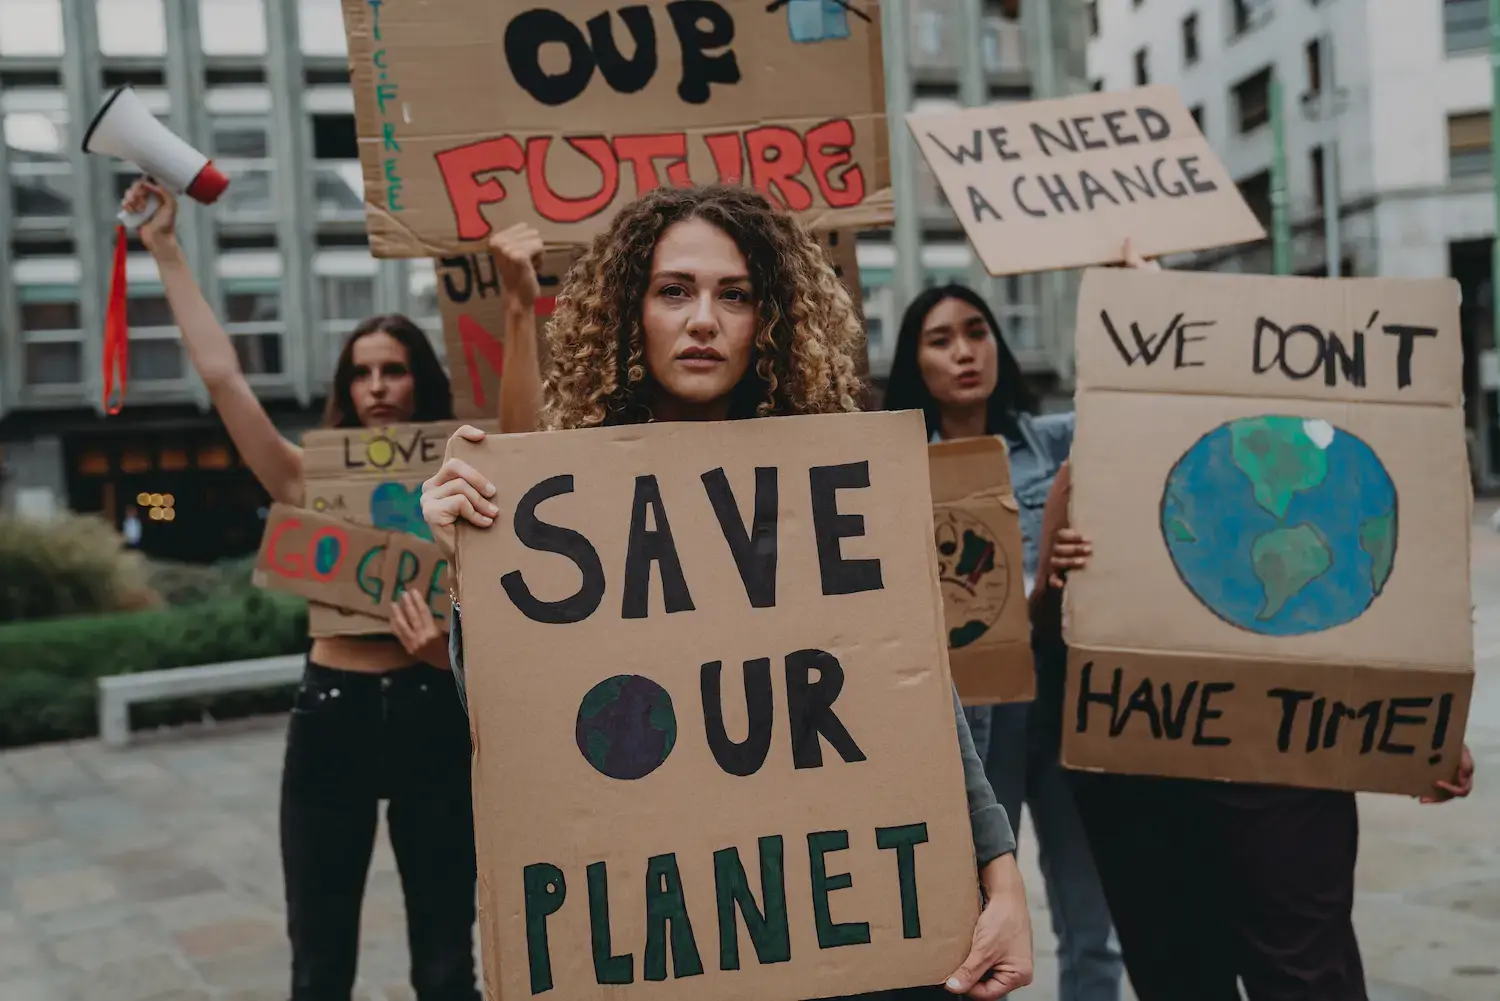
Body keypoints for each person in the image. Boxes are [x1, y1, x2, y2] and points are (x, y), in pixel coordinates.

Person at [420, 183, 1036, 1000]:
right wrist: (474, 569)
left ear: (769, 319)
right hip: (681, 939)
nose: (703, 318)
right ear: (629, 311)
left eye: (734, 295)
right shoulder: (568, 510)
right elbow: (518, 727)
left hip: (853, 924)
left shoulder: (832, 487)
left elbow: (920, 695)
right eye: (674, 290)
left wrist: (1002, 874)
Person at [1037, 261, 1478, 1000]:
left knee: (1304, 974)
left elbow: (1399, 595)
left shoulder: (1334, 458)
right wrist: (1055, 577)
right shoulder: (1088, 468)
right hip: (1145, 775)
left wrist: (1424, 728)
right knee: (1180, 976)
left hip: (1283, 770)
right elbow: (1051, 641)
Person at [123, 178, 484, 1001]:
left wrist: (446, 650)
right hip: (333, 715)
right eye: (363, 373)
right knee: (319, 969)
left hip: (434, 712)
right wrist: (167, 250)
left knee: (444, 964)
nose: (379, 386)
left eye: (395, 370)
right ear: (346, 388)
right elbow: (225, 383)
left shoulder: (468, 472)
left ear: (421, 381)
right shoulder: (303, 477)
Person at [882, 282, 1123, 1001]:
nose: (964, 351)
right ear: (913, 360)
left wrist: (1133, 285)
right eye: (940, 338)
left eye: (976, 331)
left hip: (1063, 701)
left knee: (1093, 923)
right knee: (976, 916)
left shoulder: (1051, 441)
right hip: (973, 718)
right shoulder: (893, 466)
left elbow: (1132, 405)